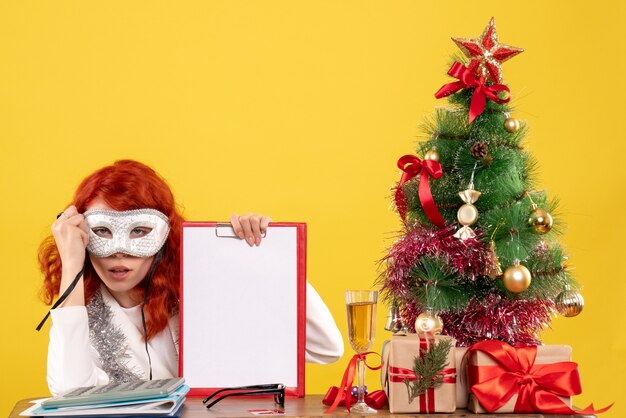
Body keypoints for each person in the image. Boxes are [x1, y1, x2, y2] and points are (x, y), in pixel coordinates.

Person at [39, 159, 343, 395]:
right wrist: (72, 268)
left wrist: (271, 256)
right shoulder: (79, 314)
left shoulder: (202, 291)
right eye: (102, 232)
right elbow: (70, 393)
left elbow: (325, 347)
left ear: (164, 234)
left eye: (140, 231)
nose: (120, 253)